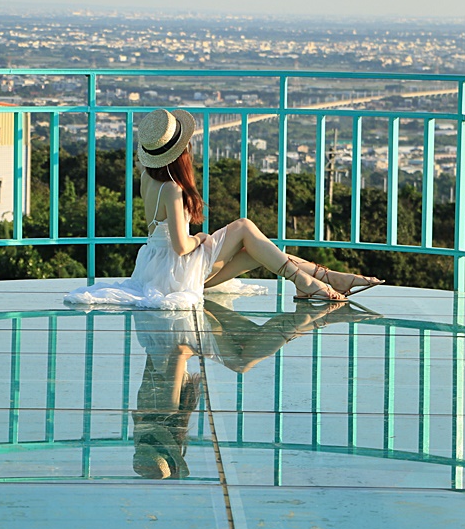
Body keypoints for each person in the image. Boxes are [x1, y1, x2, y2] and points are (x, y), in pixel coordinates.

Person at [64, 108, 383, 309]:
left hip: (157, 268)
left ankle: (325, 279)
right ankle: (311, 282)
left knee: (254, 251)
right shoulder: (173, 189)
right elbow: (181, 245)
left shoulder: (148, 177)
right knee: (244, 226)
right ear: (181, 151)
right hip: (177, 270)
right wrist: (201, 239)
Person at [130, 296, 381, 479]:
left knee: (242, 361)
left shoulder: (166, 409)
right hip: (181, 312)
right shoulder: (145, 410)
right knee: (251, 337)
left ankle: (320, 316)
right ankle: (319, 314)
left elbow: (179, 350)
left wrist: (199, 351)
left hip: (184, 320)